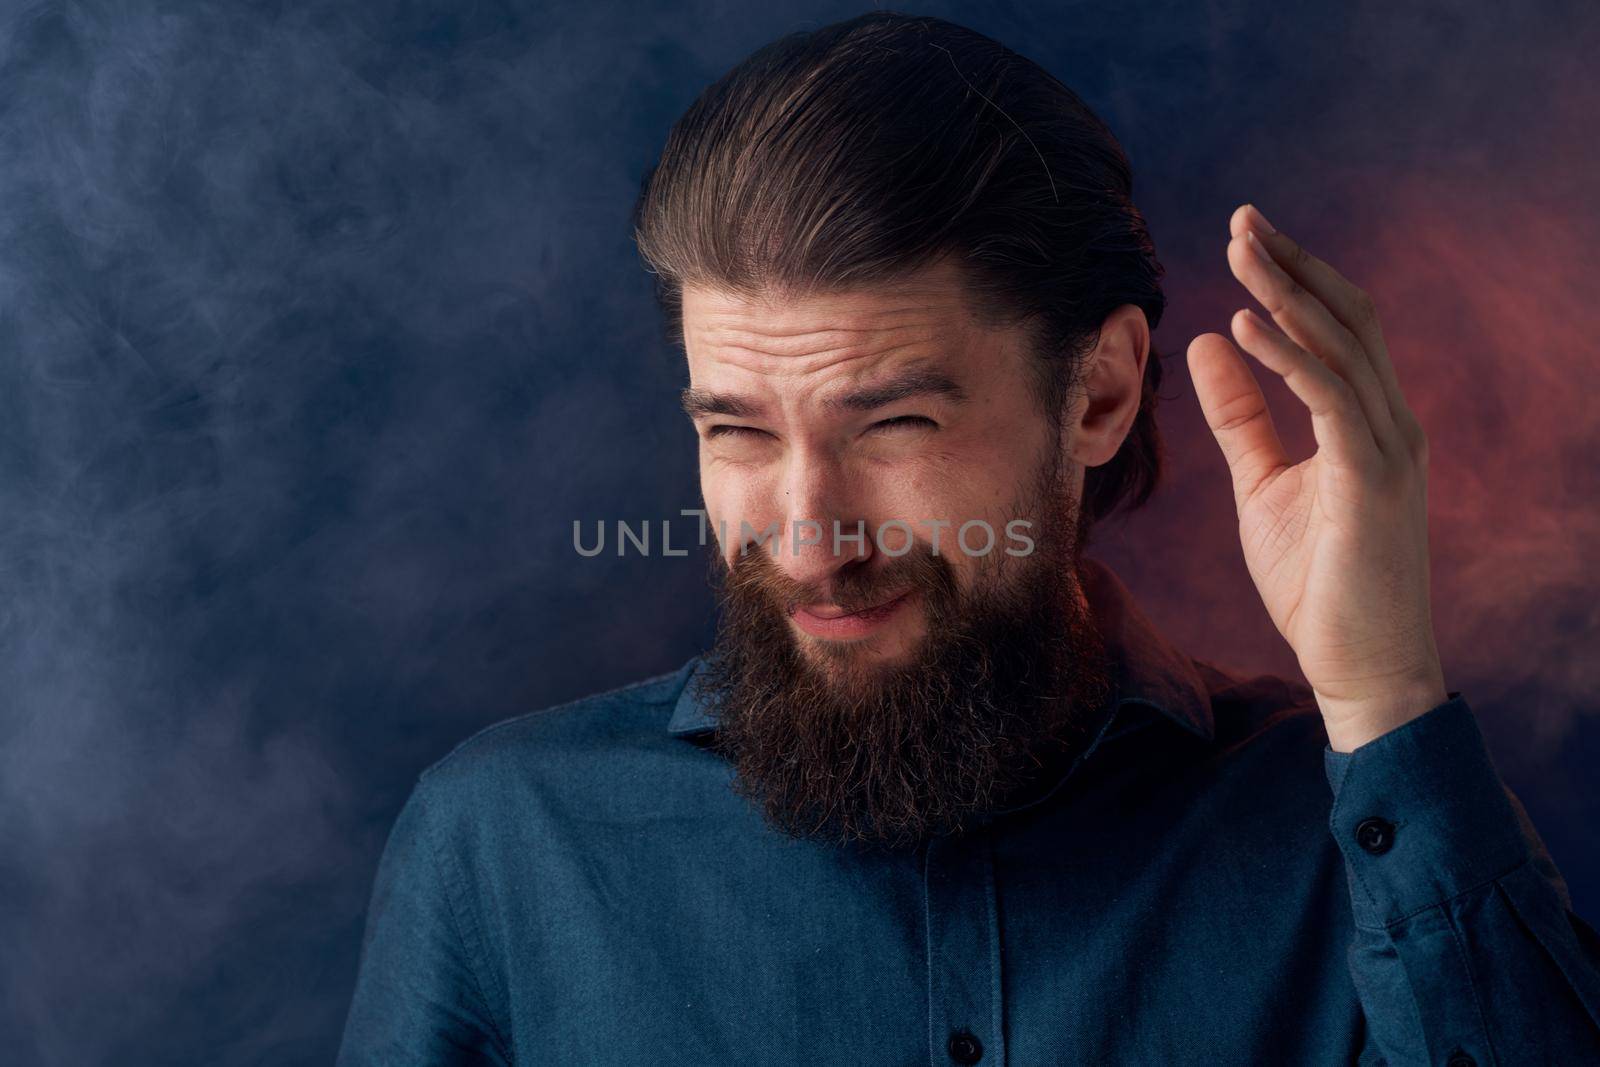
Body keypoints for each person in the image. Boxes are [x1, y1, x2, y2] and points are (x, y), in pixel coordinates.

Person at [336, 12, 1600, 1064]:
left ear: (1097, 392)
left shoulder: (1349, 831)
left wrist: (1383, 694)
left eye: (892, 420)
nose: (810, 534)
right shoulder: (502, 844)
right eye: (737, 432)